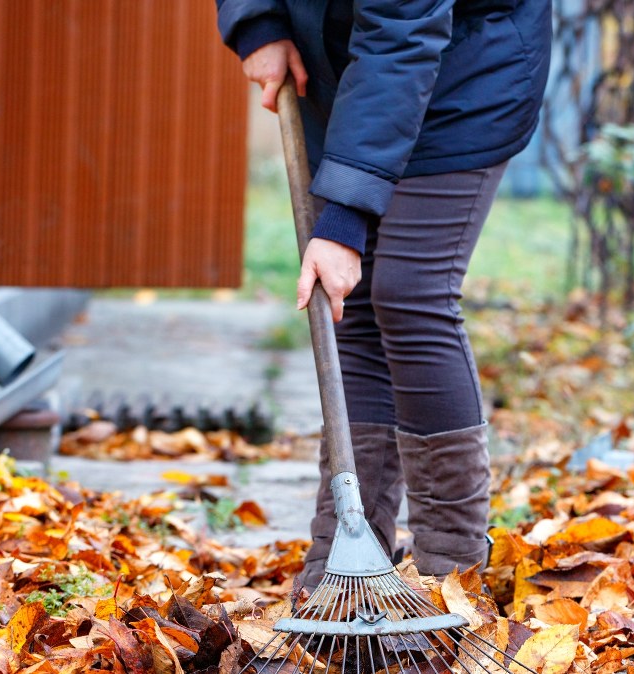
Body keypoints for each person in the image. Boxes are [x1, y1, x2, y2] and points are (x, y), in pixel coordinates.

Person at [214, 0, 552, 590]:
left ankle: (452, 569)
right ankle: (342, 561)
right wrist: (257, 22)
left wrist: (344, 220)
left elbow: (402, 32)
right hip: (351, 74)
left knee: (409, 291)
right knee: (358, 308)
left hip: (466, 70)